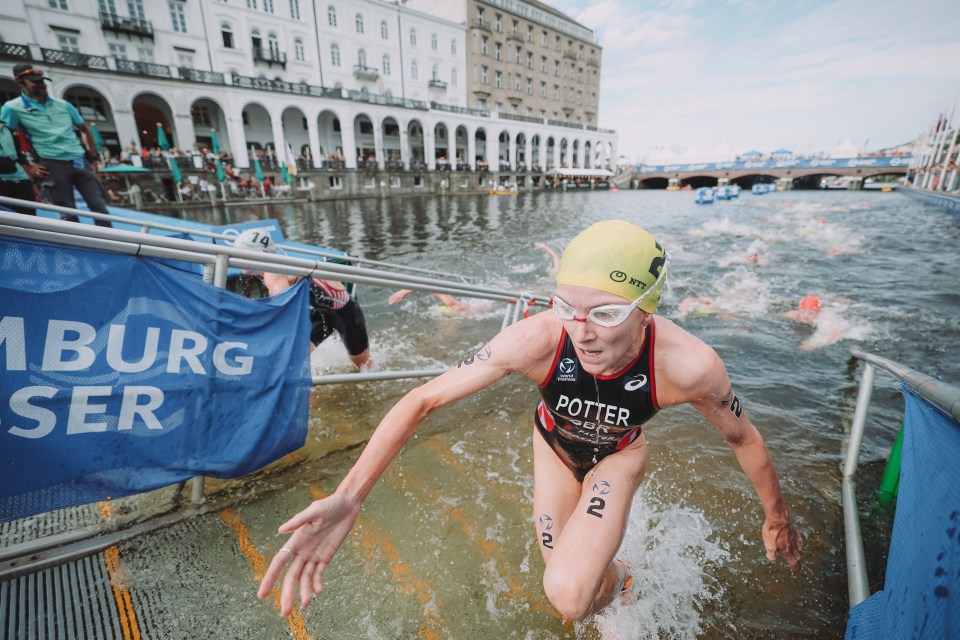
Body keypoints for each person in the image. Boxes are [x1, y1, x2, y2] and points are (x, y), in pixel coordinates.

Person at [257, 220, 803, 620]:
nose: (583, 333)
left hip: (618, 454)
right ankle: (616, 574)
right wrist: (351, 495)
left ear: (647, 309)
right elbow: (421, 400)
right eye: (567, 307)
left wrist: (776, 517)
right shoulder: (538, 339)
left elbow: (743, 437)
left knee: (567, 594)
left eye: (607, 314)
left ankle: (619, 574)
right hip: (553, 447)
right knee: (576, 601)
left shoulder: (690, 366)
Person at [233, 229, 371, 369]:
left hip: (345, 312)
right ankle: (308, 389)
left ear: (256, 254)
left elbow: (283, 307)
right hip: (321, 310)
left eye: (240, 253)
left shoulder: (272, 271)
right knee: (295, 356)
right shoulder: (272, 266)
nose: (236, 258)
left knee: (362, 365)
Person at [0, 64, 111, 227]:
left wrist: (93, 157)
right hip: (51, 162)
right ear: (20, 82)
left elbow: (85, 129)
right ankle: (76, 249)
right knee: (67, 211)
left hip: (78, 159)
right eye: (35, 82)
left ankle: (111, 245)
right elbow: (8, 137)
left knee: (98, 205)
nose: (41, 85)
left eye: (42, 82)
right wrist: (29, 166)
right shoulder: (12, 108)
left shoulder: (63, 105)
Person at [0, 119, 39, 215]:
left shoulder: (8, 128)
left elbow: (20, 157)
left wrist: (32, 183)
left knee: (29, 218)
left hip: (20, 177)